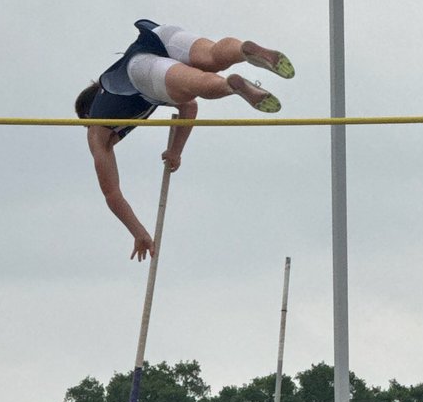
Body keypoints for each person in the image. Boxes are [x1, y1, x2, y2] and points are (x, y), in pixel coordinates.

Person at [75, 20, 294, 260]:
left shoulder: (97, 129)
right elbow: (188, 109)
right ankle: (243, 50)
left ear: (87, 116)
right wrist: (175, 151)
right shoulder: (124, 95)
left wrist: (139, 233)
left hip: (139, 69)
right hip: (159, 34)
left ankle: (230, 86)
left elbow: (112, 194)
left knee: (195, 83)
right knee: (213, 56)